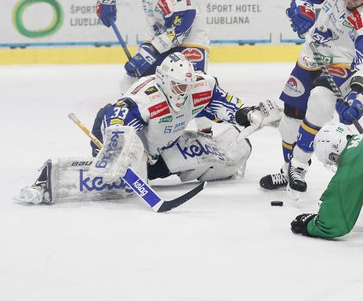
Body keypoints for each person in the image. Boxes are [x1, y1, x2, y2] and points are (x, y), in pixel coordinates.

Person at [17, 53, 282, 205]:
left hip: (163, 145)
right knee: (120, 175)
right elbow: (116, 119)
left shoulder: (199, 86)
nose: (185, 92)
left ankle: (151, 165)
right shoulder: (146, 97)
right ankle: (49, 180)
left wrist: (247, 113)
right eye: (179, 87)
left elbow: (226, 105)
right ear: (165, 82)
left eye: (187, 86)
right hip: (121, 135)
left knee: (222, 156)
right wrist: (120, 150)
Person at [259, 0, 363, 195]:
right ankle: (287, 168)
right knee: (291, 116)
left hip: (344, 61)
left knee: (320, 99)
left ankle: (299, 166)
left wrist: (357, 91)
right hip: (313, 51)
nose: (347, 1)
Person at [95, 0, 209, 86]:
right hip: (156, 32)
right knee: (130, 82)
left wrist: (150, 53)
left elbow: (178, 33)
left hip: (190, 37)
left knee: (193, 84)